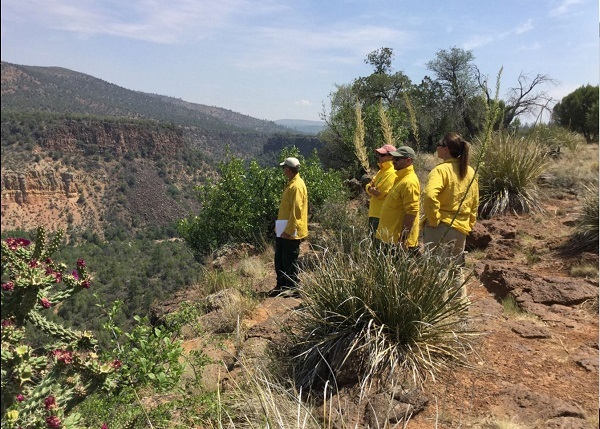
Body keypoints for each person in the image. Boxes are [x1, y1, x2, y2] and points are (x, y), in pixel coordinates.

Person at [422, 132, 479, 301]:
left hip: (439, 228)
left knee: (436, 272)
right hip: (460, 229)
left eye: (439, 144)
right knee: (456, 271)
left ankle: (439, 314)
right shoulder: (469, 171)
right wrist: (468, 224)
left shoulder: (440, 170)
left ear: (446, 149)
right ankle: (461, 313)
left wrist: (434, 219)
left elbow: (430, 195)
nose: (437, 147)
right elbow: (475, 201)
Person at [269, 157, 308, 297]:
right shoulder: (292, 183)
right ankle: (282, 285)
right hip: (283, 227)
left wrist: (289, 230)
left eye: (284, 167)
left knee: (289, 259)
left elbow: (296, 211)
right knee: (280, 258)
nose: (283, 169)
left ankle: (292, 287)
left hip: (290, 230)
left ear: (289, 169)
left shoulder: (297, 186)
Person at [375, 146, 421, 252]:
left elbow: (411, 212)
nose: (393, 161)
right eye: (393, 158)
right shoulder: (400, 178)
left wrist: (403, 238)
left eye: (397, 159)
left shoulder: (409, 182)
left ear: (408, 160)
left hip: (398, 242)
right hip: (389, 239)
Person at [365, 144, 397, 240]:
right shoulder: (381, 171)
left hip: (381, 215)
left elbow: (379, 193)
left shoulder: (391, 172)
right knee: (374, 245)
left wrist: (370, 189)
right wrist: (370, 188)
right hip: (374, 213)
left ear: (391, 156)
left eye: (382, 155)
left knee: (378, 246)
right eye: (379, 154)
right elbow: (368, 186)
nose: (379, 157)